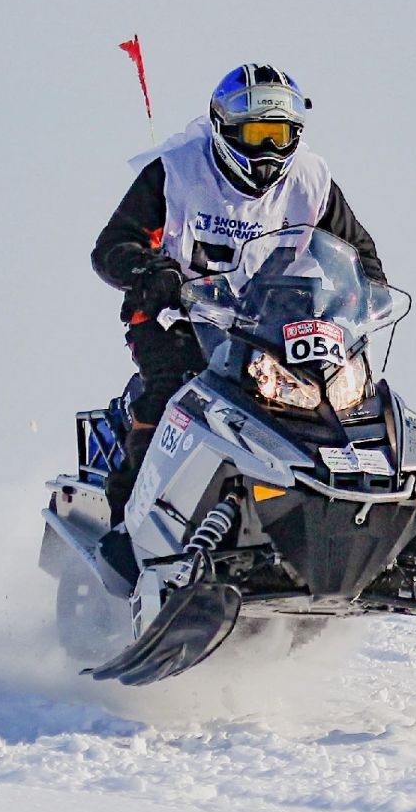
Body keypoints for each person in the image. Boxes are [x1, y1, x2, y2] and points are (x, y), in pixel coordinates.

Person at [91, 64, 386, 527]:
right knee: (172, 393)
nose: (268, 148)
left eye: (280, 134)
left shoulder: (311, 180)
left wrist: (363, 302)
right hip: (176, 317)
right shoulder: (175, 172)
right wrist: (150, 270)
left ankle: (362, 521)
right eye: (254, 133)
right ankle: (127, 521)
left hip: (267, 324)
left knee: (345, 401)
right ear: (223, 126)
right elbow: (113, 246)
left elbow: (358, 252)